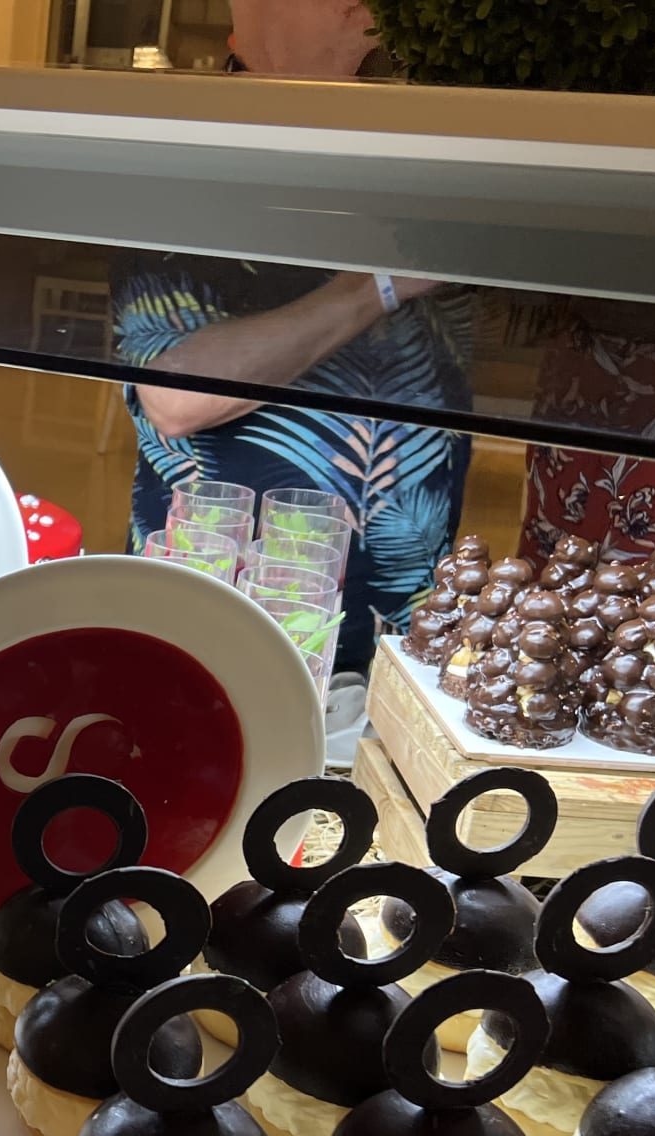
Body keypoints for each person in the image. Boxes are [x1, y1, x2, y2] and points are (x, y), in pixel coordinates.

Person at [115, 0, 473, 677]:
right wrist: (376, 285)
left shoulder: (422, 142)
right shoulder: (197, 154)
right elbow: (174, 396)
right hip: (224, 616)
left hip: (399, 613)